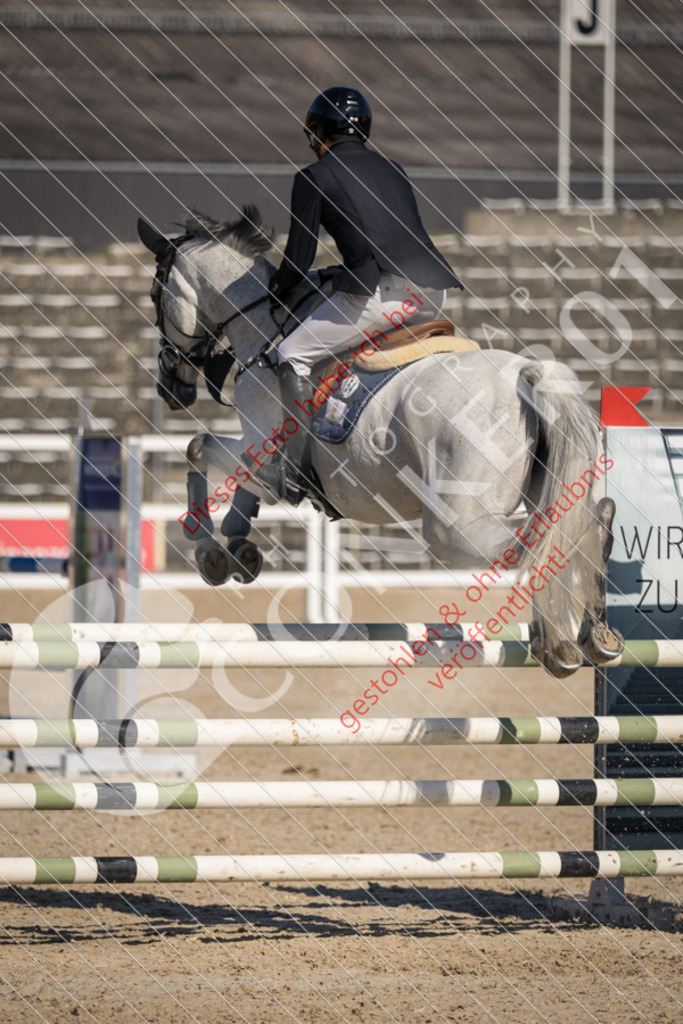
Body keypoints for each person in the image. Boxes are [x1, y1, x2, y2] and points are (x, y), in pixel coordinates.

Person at [255, 85, 463, 503]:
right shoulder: (394, 169)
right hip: (433, 293)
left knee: (290, 356)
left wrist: (274, 291)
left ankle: (295, 472)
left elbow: (297, 260)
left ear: (318, 134)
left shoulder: (312, 177)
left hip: (380, 296)